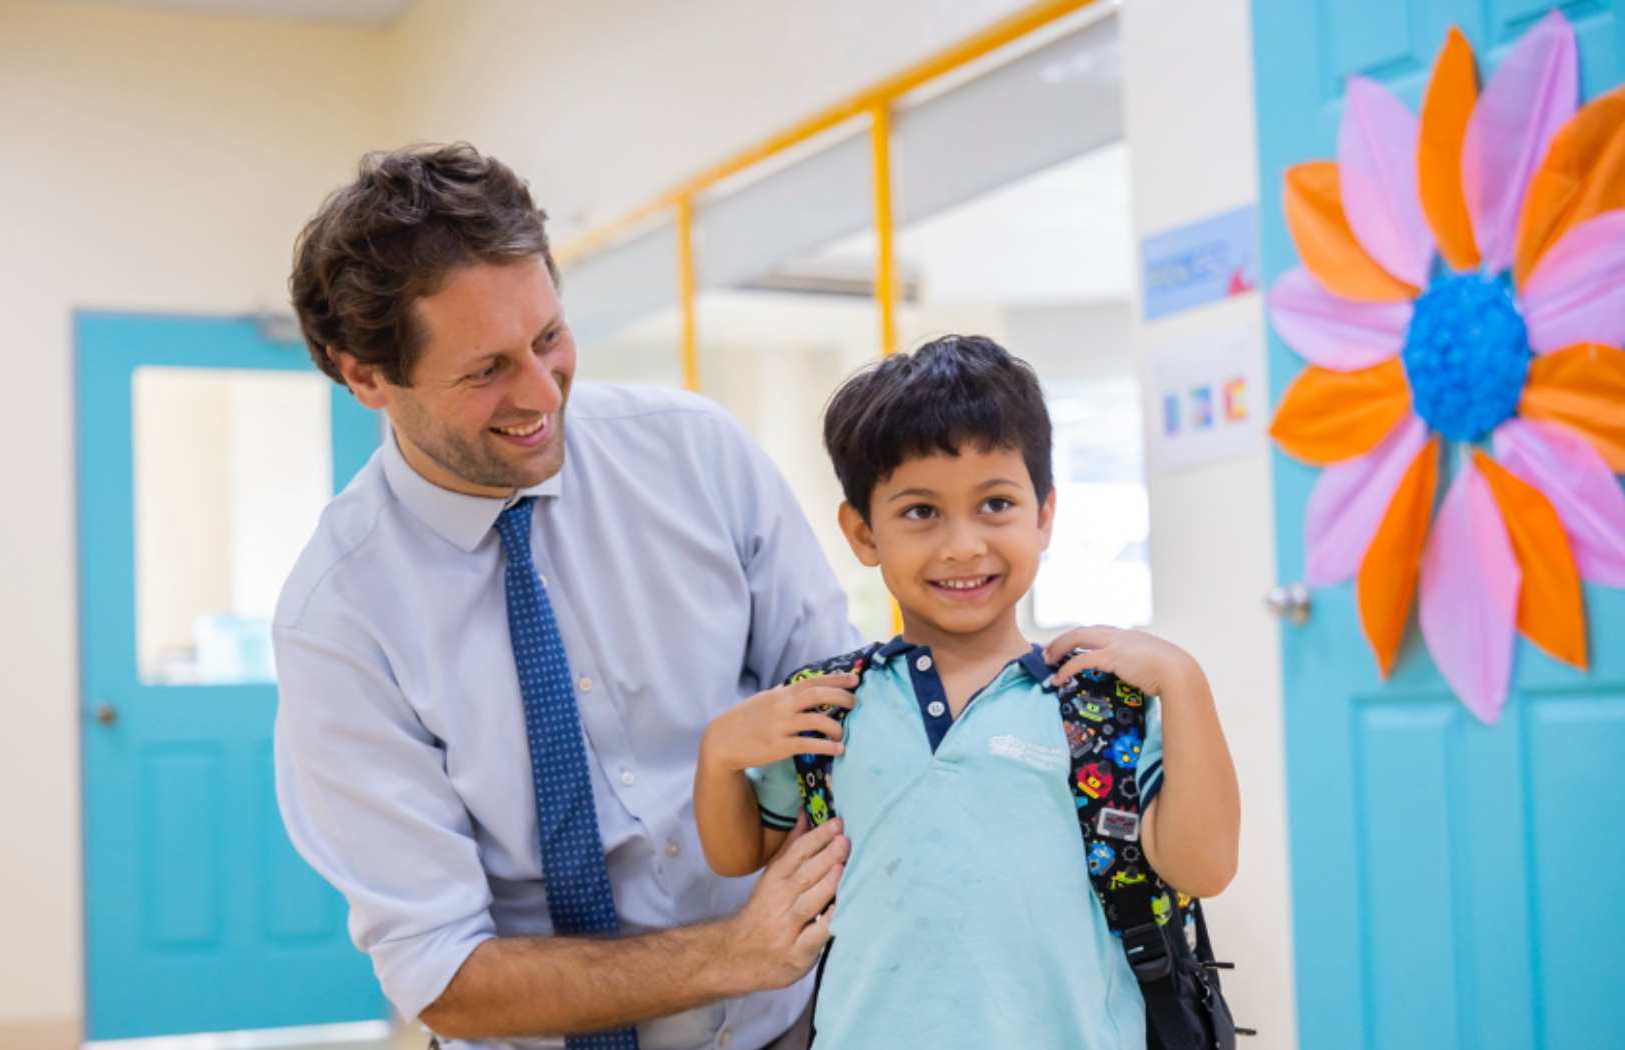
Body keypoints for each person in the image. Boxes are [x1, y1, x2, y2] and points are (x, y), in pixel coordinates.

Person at [273, 142, 860, 1050]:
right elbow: (445, 975)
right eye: (487, 370)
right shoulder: (340, 620)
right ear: (367, 377)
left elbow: (849, 720)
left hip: (796, 1026)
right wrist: (732, 954)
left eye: (549, 337)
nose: (543, 392)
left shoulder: (696, 457)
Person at [694, 335, 1241, 1049]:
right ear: (863, 532)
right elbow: (743, 853)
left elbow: (1205, 867)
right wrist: (718, 755)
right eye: (921, 512)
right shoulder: (831, 703)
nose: (962, 546)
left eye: (996, 504)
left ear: (1044, 514)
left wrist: (1185, 682)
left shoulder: (1100, 704)